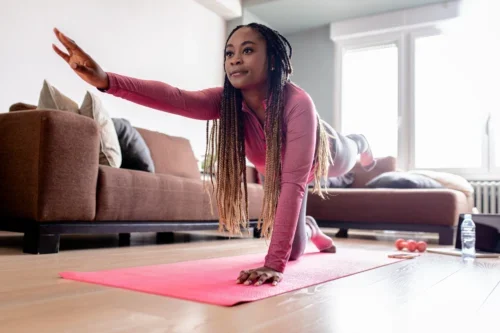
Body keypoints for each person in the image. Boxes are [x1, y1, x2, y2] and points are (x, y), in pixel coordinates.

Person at [51, 23, 376, 287]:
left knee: (349, 152)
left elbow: (294, 185)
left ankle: (361, 141)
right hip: (280, 171)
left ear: (274, 60)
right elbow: (175, 97)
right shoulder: (227, 101)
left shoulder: (297, 102)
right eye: (229, 53)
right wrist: (106, 80)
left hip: (326, 152)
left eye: (248, 50)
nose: (235, 59)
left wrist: (271, 266)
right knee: (294, 252)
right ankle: (312, 228)